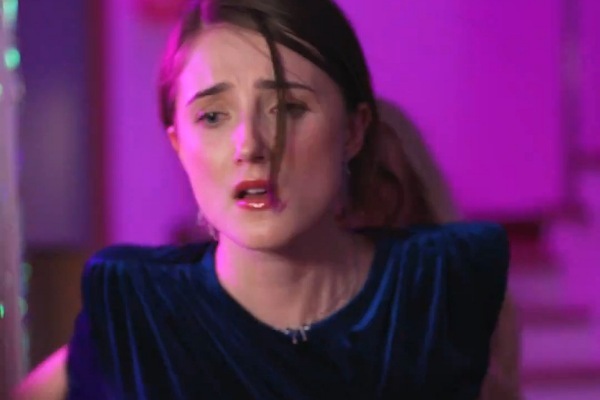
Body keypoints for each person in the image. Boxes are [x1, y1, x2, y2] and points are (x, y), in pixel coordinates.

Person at [13, 0, 521, 398]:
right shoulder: (137, 309)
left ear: (353, 130)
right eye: (213, 116)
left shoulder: (442, 284)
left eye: (288, 107)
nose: (250, 145)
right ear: (179, 144)